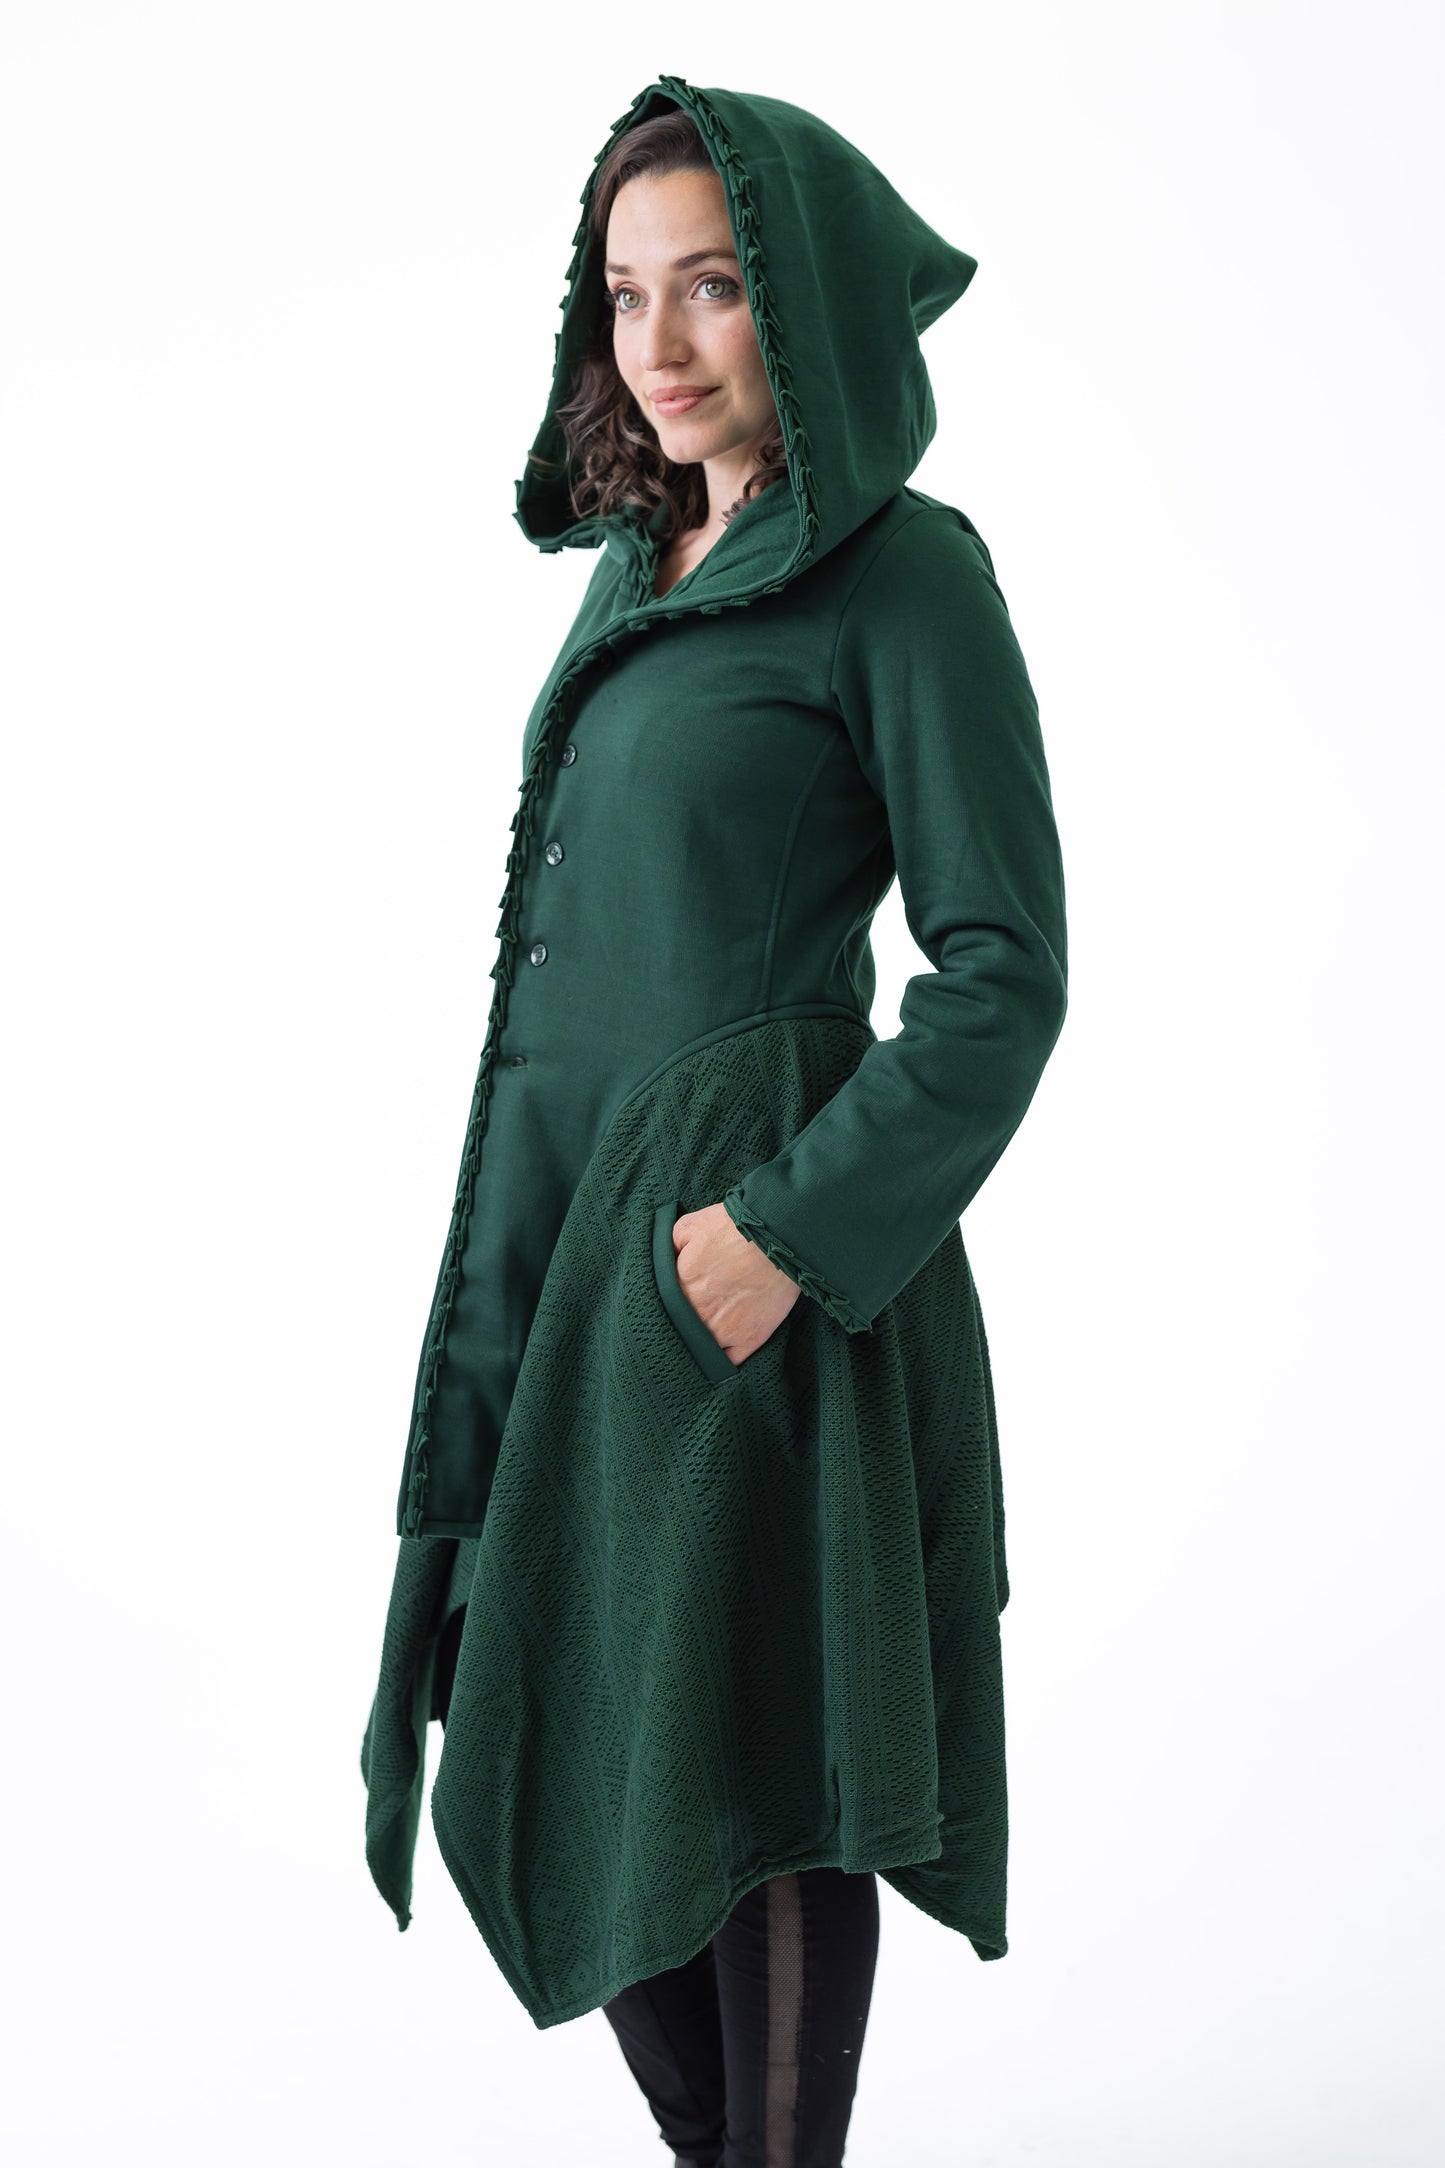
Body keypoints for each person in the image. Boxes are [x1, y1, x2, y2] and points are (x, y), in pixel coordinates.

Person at [360, 75, 1069, 2167]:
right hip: (571, 1257)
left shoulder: (902, 576)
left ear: (806, 300)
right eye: (625, 293)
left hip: (747, 1268)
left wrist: (781, 1237)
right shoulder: (637, 564)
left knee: (755, 1765)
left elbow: (1003, 969)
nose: (659, 344)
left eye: (714, 288)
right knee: (587, 1739)